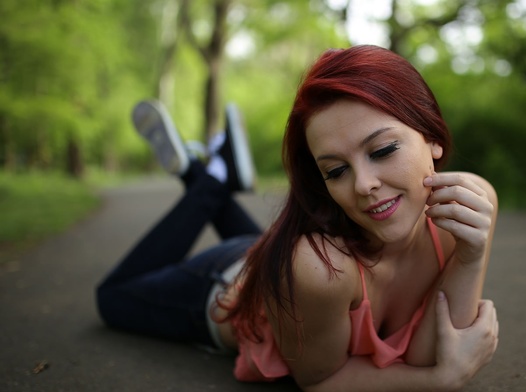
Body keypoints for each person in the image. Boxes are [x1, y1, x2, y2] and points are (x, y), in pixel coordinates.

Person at [97, 45, 499, 391]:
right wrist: (437, 383)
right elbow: (320, 380)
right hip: (220, 288)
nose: (363, 185)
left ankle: (210, 176)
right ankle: (213, 180)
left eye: (381, 150)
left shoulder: (464, 208)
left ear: (432, 137)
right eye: (336, 171)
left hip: (283, 271)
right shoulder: (316, 270)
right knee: (112, 297)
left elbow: (427, 351)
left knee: (291, 259)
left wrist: (471, 254)